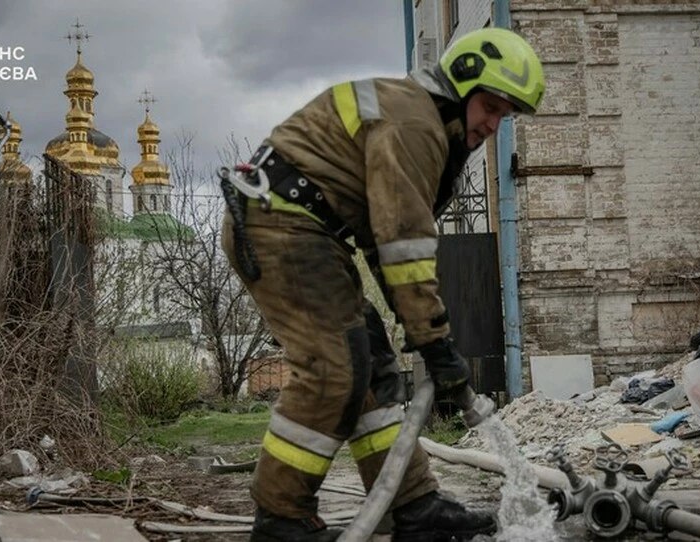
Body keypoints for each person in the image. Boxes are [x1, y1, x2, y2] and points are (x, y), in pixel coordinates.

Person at [221, 28, 545, 542]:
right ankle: (281, 518)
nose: (493, 124)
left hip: (303, 227)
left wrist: (424, 334)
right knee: (334, 372)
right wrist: (435, 342)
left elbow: (381, 241)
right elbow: (404, 245)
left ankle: (412, 506)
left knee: (372, 373)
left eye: (505, 115)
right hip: (282, 225)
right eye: (490, 106)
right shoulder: (415, 124)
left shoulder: (421, 121)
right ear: (460, 88)